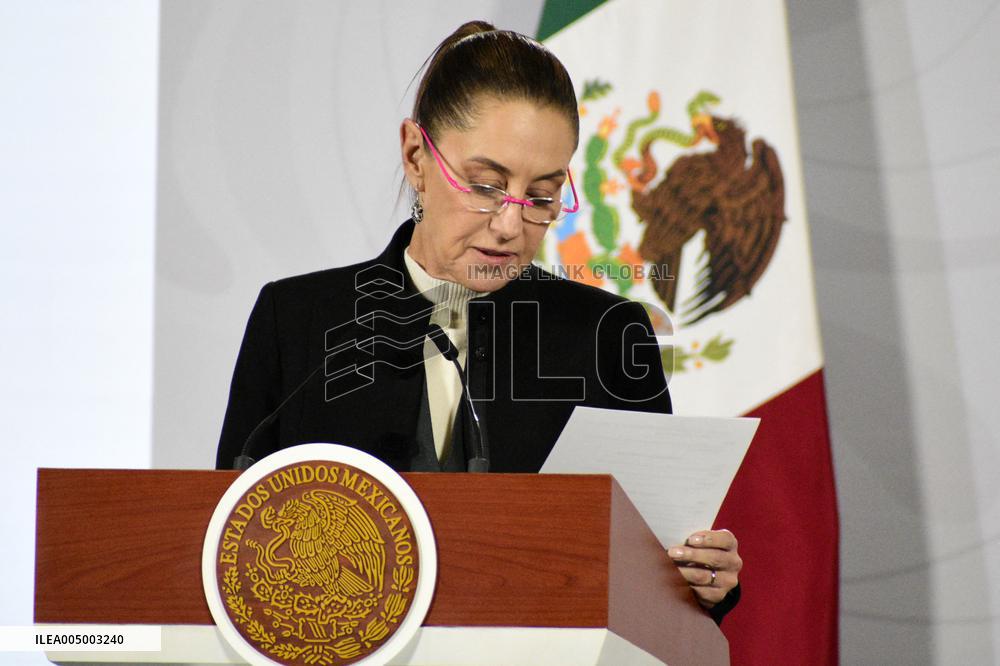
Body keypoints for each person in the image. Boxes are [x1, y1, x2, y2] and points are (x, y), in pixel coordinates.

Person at [217, 20, 741, 621]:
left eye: (541, 195)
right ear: (417, 157)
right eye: (487, 186)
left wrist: (701, 580)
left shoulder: (607, 336)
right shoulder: (298, 320)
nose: (510, 225)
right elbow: (228, 544)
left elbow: (653, 574)